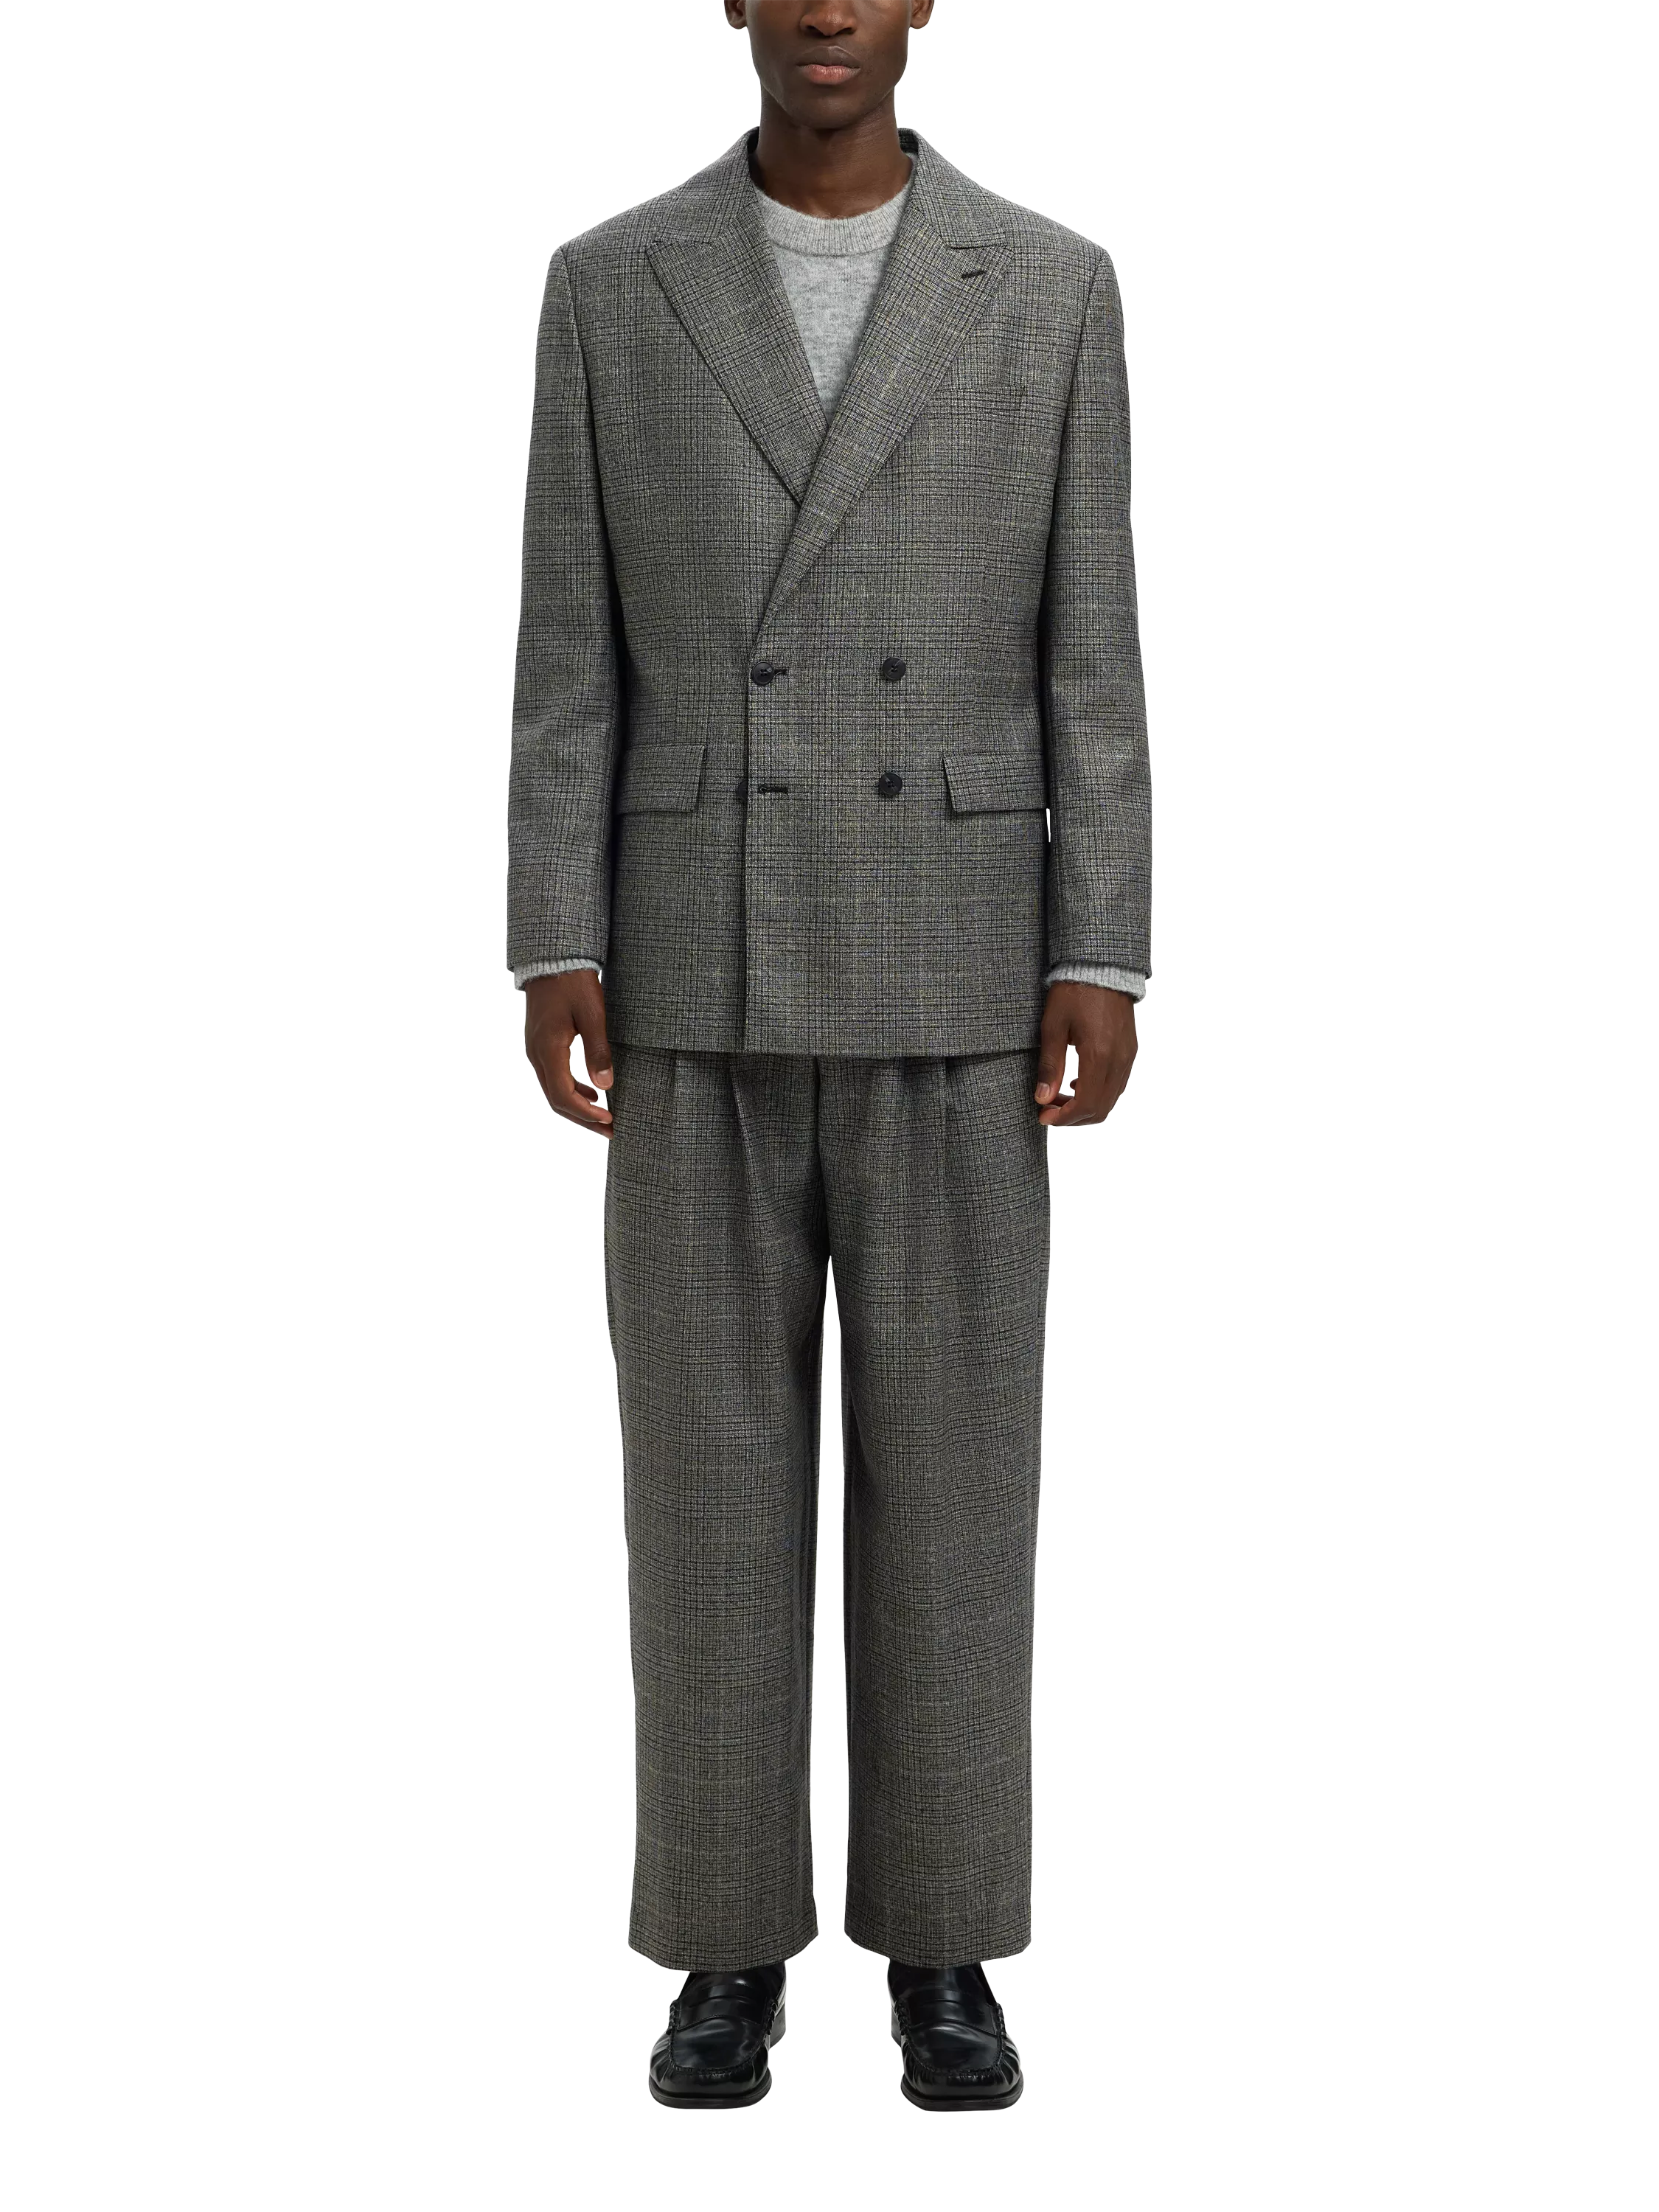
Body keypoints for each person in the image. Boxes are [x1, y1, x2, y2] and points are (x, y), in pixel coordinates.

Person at [509, 0, 1150, 2114]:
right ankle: (725, 1942)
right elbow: (569, 640)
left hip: (957, 959)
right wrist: (555, 930)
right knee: (706, 1478)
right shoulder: (615, 285)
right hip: (693, 952)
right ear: (734, 0)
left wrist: (1100, 943)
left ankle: (944, 1941)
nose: (827, 8)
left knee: (956, 1480)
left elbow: (1090, 642)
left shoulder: (1046, 287)